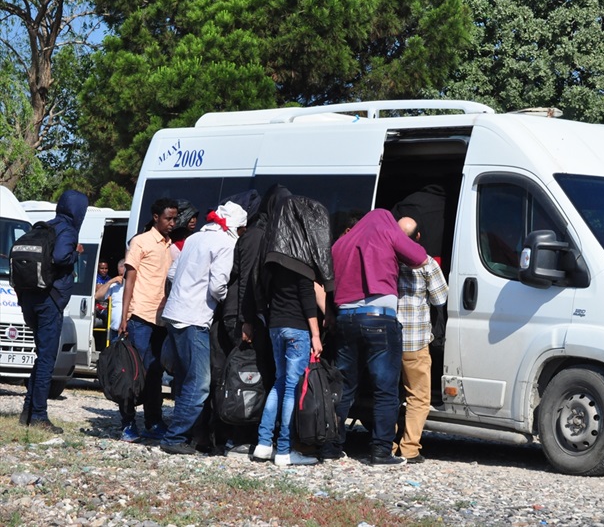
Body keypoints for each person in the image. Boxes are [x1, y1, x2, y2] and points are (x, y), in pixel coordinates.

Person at [325, 209, 427, 466]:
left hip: (345, 317)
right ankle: (380, 452)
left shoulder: (341, 242)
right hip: (378, 317)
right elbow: (418, 257)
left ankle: (331, 447)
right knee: (385, 389)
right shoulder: (385, 226)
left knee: (344, 387)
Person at [159, 201, 248, 455]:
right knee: (199, 383)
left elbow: (173, 273)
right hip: (194, 318)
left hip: (175, 314)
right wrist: (225, 302)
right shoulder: (226, 243)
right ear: (235, 226)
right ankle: (175, 437)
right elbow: (218, 286)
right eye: (241, 229)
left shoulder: (196, 238)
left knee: (186, 379)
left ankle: (180, 434)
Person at [251, 195, 334, 466]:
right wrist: (316, 335)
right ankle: (284, 450)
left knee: (278, 382)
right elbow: (308, 301)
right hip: (297, 329)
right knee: (290, 388)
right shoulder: (302, 261)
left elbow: (260, 290)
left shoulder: (272, 257)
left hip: (275, 326)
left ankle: (264, 444)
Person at [17, 190, 88, 433]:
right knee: (47, 359)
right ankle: (39, 416)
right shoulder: (68, 230)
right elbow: (60, 257)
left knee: (41, 356)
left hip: (30, 298)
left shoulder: (45, 226)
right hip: (50, 300)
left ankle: (28, 410)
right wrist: (76, 254)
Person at [118, 198, 179, 443]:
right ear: (156, 217)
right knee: (135, 373)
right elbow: (129, 281)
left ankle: (154, 421)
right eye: (168, 218)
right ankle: (127, 422)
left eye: (175, 219)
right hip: (140, 317)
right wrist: (124, 316)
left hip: (161, 319)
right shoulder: (140, 242)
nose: (172, 223)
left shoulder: (170, 246)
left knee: (155, 372)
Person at [394, 219, 448, 464]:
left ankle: (389, 443)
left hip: (389, 338)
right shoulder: (426, 263)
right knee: (418, 397)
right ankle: (409, 449)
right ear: (418, 237)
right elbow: (440, 298)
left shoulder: (387, 259)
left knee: (390, 395)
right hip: (414, 341)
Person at [94, 259, 126, 341]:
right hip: (114, 329)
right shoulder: (114, 284)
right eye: (120, 274)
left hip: (126, 330)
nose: (122, 278)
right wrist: (111, 282)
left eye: (124, 275)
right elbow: (97, 296)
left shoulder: (135, 286)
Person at [94, 259, 112, 326]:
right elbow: (96, 289)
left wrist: (101, 287)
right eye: (102, 268)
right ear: (98, 268)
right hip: (97, 306)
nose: (104, 270)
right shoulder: (95, 278)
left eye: (106, 268)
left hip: (106, 305)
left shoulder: (109, 279)